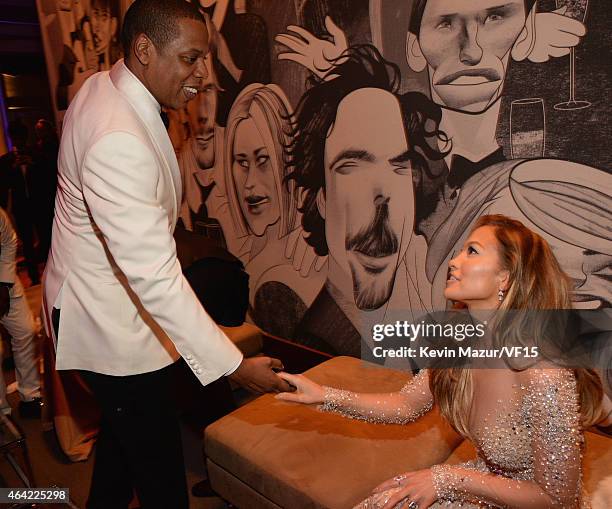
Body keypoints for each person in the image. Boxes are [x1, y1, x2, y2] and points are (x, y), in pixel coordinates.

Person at [41, 1, 290, 508]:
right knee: (159, 474)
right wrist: (235, 366)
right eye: (190, 58)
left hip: (106, 299)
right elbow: (153, 277)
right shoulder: (118, 139)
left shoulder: (102, 84)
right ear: (144, 50)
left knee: (121, 444)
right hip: (105, 323)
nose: (203, 74)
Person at [276, 214, 610, 508]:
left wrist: (446, 480)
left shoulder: (543, 372)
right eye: (460, 250)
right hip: (482, 484)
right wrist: (324, 396)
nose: (454, 261)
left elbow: (556, 499)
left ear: (505, 278)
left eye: (472, 252)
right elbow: (407, 404)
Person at [286, 45, 446, 355]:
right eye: (353, 167)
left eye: (399, 166)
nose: (382, 194)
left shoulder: (405, 331)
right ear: (321, 199)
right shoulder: (317, 352)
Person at [0, 207, 42, 418]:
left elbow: (9, 241)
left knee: (26, 331)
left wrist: (4, 283)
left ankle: (31, 396)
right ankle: (2, 410)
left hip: (5, 282)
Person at [0, 120, 40, 285]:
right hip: (21, 207)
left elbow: (47, 178)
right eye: (16, 139)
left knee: (48, 237)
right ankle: (34, 276)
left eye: (21, 138)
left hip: (39, 204)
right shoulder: (5, 161)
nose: (19, 142)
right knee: (28, 244)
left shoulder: (36, 154)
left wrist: (33, 164)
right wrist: (14, 168)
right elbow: (3, 185)